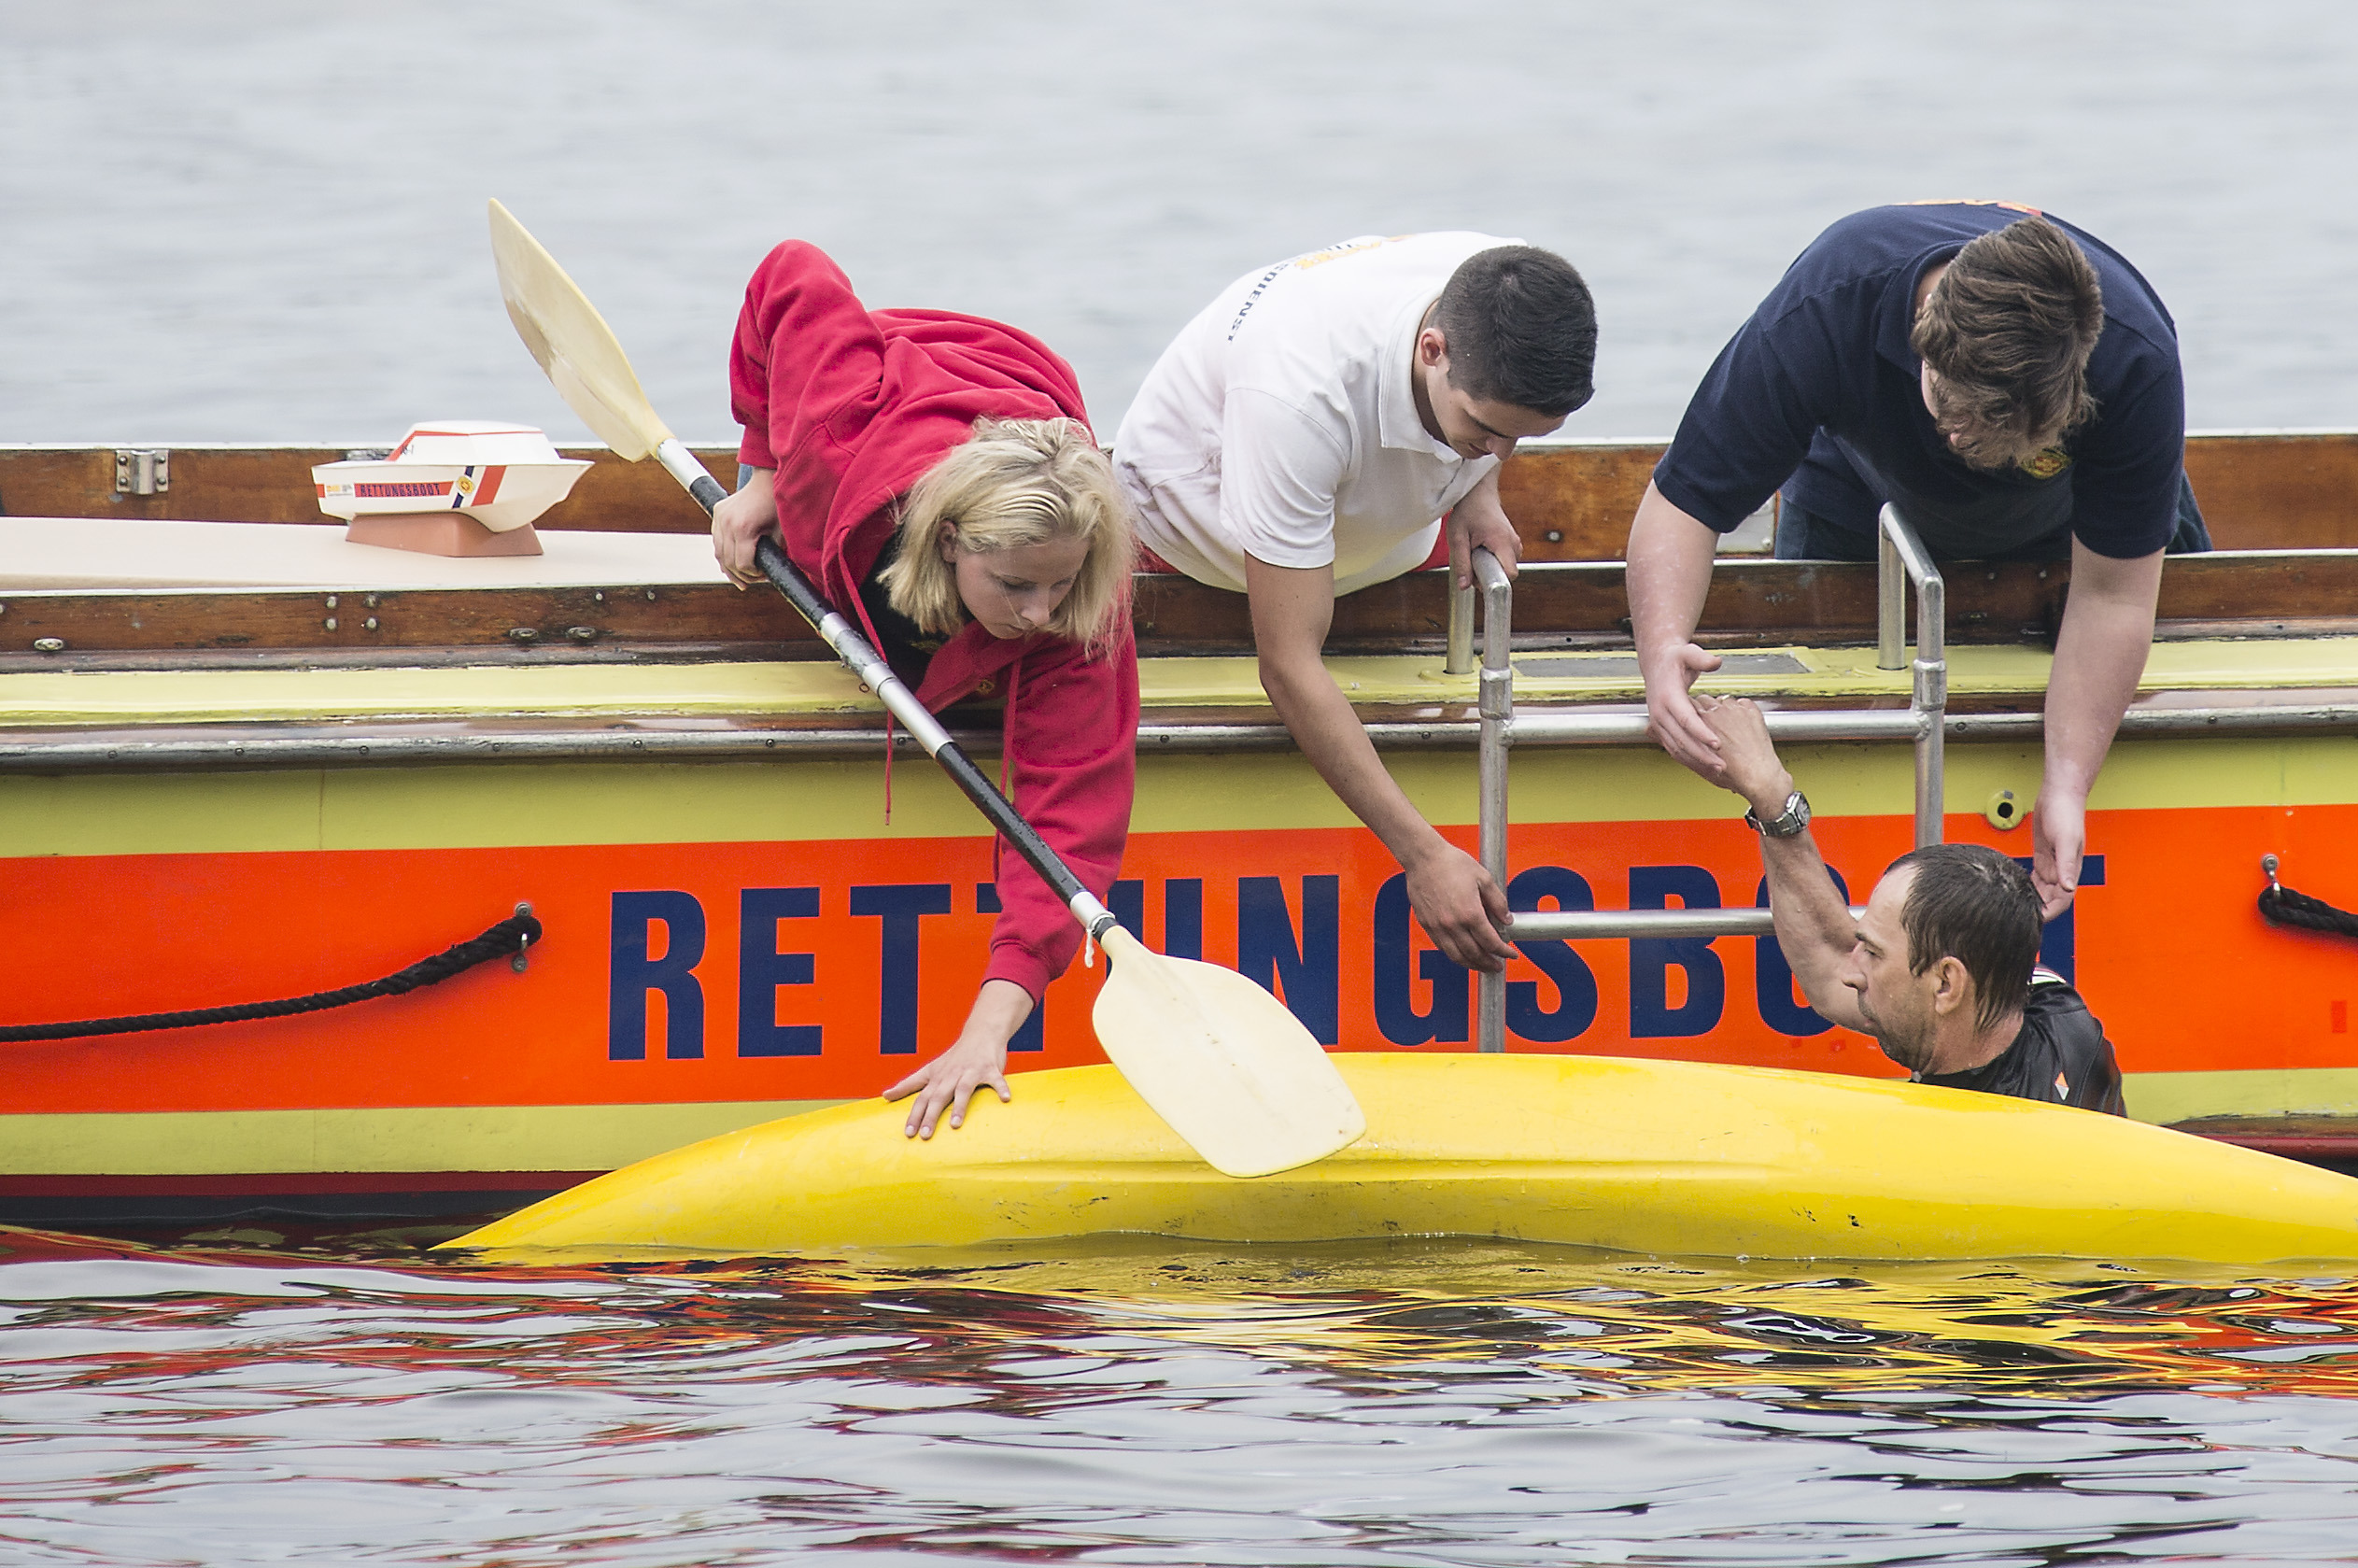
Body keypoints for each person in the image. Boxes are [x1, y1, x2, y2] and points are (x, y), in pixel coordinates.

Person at [1630, 202, 2206, 921]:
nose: (1961, 442)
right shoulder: (1828, 301)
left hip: (2073, 534)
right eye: (1951, 414)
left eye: (1997, 430)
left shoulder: (2134, 354)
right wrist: (1659, 653)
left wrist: (2065, 781)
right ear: (1921, 340)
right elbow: (1682, 502)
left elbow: (2115, 599)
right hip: (1858, 504)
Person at [709, 240, 1138, 1139]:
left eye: (1058, 584)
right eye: (1015, 587)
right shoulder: (831, 451)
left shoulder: (1082, 610)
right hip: (890, 382)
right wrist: (764, 474)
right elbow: (790, 274)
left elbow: (1069, 820)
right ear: (948, 544)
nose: (1039, 611)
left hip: (1028, 391)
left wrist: (990, 1033)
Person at [1114, 233, 1598, 975]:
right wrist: (1423, 854)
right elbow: (1287, 664)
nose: (1502, 451)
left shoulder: (1498, 279)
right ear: (1431, 348)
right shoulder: (1297, 397)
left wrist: (1477, 483)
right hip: (1200, 525)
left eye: (1526, 438)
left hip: (1366, 513)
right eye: (1486, 431)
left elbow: (1499, 419)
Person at [1701, 696, 2125, 1115]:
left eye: (1873, 953)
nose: (1851, 971)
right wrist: (1770, 795)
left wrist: (1771, 792)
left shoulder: (1969, 1142)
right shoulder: (2046, 1003)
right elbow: (1829, 960)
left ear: (1946, 984)